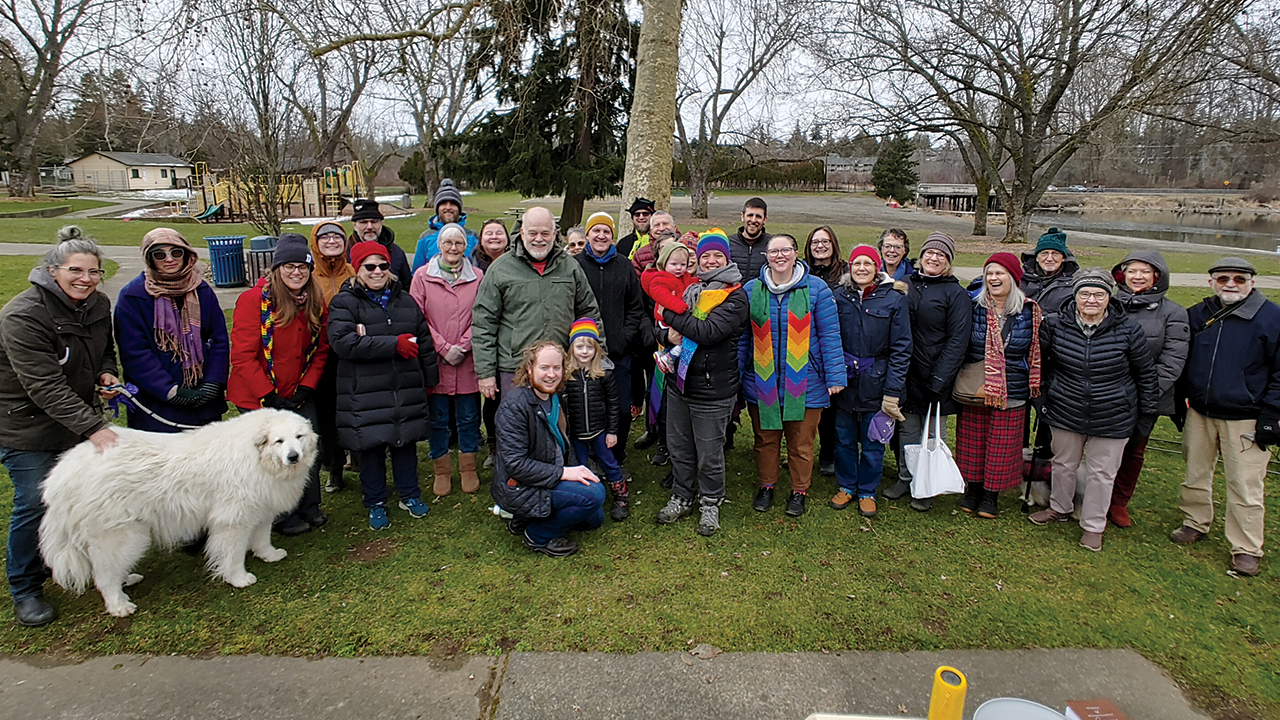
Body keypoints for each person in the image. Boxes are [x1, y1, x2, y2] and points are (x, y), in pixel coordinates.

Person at [0, 230, 120, 627]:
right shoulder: (23, 316)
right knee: (36, 502)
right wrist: (94, 429)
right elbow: (43, 386)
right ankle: (26, 587)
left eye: (93, 272)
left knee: (81, 499)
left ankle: (70, 564)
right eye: (75, 271)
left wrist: (106, 373)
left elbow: (105, 349)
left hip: (74, 422)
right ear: (53, 271)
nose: (85, 279)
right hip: (27, 428)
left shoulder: (97, 304)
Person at [1029, 269, 1160, 552]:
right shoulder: (1055, 325)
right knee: (1064, 464)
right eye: (1085, 294)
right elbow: (1044, 365)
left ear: (1108, 298)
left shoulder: (1128, 330)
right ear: (1075, 296)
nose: (1091, 299)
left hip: (1113, 413)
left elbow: (1146, 375)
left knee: (1102, 473)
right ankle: (1059, 508)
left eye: (1099, 294)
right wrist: (1043, 400)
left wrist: (1146, 416)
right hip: (1066, 408)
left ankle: (1093, 525)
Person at [1169, 257, 1280, 577]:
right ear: (1211, 282)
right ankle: (1195, 521)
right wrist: (1180, 401)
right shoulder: (1198, 314)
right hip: (1201, 411)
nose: (1230, 284)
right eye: (1223, 278)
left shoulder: (1272, 319)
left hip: (1246, 416)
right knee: (1195, 472)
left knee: (1245, 484)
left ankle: (1246, 547)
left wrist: (1272, 414)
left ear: (1252, 283)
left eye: (1239, 279)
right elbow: (1184, 360)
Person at [328, 240, 439, 530]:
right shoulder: (345, 302)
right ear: (357, 268)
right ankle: (375, 501)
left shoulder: (404, 300)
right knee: (371, 448)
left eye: (383, 266)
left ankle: (409, 493)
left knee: (405, 443)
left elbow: (423, 341)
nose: (377, 272)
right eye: (370, 266)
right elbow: (343, 342)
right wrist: (392, 345)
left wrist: (429, 379)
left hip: (403, 385)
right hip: (364, 390)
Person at [227, 233, 331, 535]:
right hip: (259, 394)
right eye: (289, 266)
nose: (296, 272)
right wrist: (268, 396)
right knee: (272, 456)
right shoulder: (253, 302)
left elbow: (320, 348)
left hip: (298, 390)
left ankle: (309, 504)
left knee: (307, 447)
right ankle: (280, 516)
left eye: (302, 266)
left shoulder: (314, 300)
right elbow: (243, 356)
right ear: (277, 268)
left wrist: (308, 386)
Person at [740, 233, 847, 517]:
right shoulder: (751, 290)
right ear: (766, 256)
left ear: (796, 253)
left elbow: (830, 335)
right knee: (766, 439)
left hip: (806, 381)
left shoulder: (817, 289)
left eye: (785, 250)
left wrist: (835, 376)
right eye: (773, 251)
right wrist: (738, 375)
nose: (779, 256)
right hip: (762, 381)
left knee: (801, 443)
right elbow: (742, 339)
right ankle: (767, 485)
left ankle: (799, 489)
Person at [655, 230, 749, 536]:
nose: (710, 260)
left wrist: (669, 312)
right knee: (679, 447)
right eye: (705, 256)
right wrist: (664, 332)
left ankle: (711, 501)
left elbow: (708, 332)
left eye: (717, 256)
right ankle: (682, 495)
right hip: (680, 384)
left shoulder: (735, 295)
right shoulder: (691, 289)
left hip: (714, 390)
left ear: (726, 259)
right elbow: (662, 330)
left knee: (709, 454)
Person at [472, 206, 603, 404]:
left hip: (561, 367)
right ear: (522, 233)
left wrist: (599, 357)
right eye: (532, 233)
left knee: (560, 429)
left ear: (554, 234)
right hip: (515, 368)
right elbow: (483, 324)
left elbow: (589, 313)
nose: (539, 239)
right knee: (517, 429)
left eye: (545, 233)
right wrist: (486, 373)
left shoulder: (570, 267)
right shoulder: (500, 269)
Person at [882, 232, 972, 512]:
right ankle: (905, 477)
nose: (934, 258)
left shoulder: (955, 293)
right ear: (921, 256)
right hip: (906, 372)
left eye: (941, 255)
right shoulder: (904, 284)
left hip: (937, 375)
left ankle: (926, 485)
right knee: (907, 429)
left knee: (933, 434)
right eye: (930, 253)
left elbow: (958, 340)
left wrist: (941, 377)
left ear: (948, 261)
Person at [493, 340, 605, 557]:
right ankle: (537, 535)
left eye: (557, 368)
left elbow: (561, 445)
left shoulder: (556, 396)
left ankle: (526, 518)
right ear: (529, 369)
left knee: (595, 517)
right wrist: (565, 473)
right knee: (594, 496)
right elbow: (516, 465)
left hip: (547, 475)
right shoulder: (514, 407)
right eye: (544, 368)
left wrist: (575, 472)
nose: (551, 374)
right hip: (519, 486)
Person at [954, 252, 1043, 519]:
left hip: (1013, 388)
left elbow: (1036, 351)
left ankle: (991, 495)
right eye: (989, 273)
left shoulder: (1029, 311)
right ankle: (973, 490)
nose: (993, 278)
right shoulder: (973, 307)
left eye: (999, 273)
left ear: (1013, 278)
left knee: (1001, 445)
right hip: (977, 386)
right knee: (973, 441)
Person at [114, 227, 229, 433]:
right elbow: (135, 354)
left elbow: (218, 339)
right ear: (150, 259)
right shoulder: (133, 296)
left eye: (176, 252)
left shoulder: (202, 290)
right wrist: (171, 391)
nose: (169, 259)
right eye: (160, 254)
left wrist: (213, 383)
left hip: (204, 401)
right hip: (158, 405)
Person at [1105, 251, 1189, 527]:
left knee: (1134, 450)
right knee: (1100, 450)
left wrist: (1144, 392)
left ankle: (1118, 502)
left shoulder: (1173, 313)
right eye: (1132, 271)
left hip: (1145, 396)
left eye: (1145, 272)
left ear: (1157, 276)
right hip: (1104, 391)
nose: (1138, 276)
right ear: (1122, 274)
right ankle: (1096, 497)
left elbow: (1172, 360)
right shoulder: (1108, 303)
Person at [828, 245, 911, 517]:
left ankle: (867, 490)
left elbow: (901, 348)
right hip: (845, 381)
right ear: (849, 267)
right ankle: (847, 485)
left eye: (868, 263)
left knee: (873, 441)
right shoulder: (839, 297)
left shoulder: (893, 299)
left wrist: (892, 391)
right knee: (843, 438)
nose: (861, 268)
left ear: (877, 268)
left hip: (877, 380)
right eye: (856, 263)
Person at [410, 223, 484, 496]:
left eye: (459, 243)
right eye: (448, 243)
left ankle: (468, 467)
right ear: (439, 245)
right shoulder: (422, 276)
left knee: (468, 417)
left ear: (467, 247)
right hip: (436, 359)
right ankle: (441, 469)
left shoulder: (477, 276)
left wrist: (463, 345)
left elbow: (483, 315)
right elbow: (417, 317)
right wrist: (442, 347)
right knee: (438, 418)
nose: (453, 248)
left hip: (467, 359)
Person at [575, 211, 648, 467]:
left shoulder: (624, 266)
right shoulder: (575, 265)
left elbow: (635, 307)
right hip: (584, 352)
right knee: (587, 410)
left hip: (619, 352)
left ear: (612, 235)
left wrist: (624, 337)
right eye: (596, 230)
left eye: (606, 231)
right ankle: (591, 458)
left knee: (619, 410)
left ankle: (616, 458)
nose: (601, 235)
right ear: (587, 235)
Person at [562, 318, 630, 520]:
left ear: (596, 350)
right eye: (580, 346)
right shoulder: (567, 376)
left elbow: (613, 404)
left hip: (600, 430)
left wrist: (612, 431)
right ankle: (590, 500)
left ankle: (621, 495)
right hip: (576, 433)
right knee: (580, 466)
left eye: (589, 347)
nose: (584, 351)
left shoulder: (604, 374)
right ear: (572, 348)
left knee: (609, 462)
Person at [309, 220, 354, 493]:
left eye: (336, 237)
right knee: (327, 414)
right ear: (315, 243)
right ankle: (333, 467)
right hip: (321, 355)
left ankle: (359, 458)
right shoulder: (310, 277)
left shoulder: (354, 274)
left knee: (353, 408)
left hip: (350, 353)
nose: (331, 241)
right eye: (324, 237)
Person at [804, 225, 844, 475]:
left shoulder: (845, 272)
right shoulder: (801, 273)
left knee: (834, 408)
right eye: (815, 242)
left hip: (837, 343)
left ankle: (830, 453)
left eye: (825, 241)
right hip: (807, 346)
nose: (820, 246)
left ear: (833, 244)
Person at [472, 218, 511, 468]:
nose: (494, 237)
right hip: (487, 338)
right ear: (481, 239)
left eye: (499, 232)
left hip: (510, 340)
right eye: (489, 233)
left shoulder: (518, 263)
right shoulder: (473, 267)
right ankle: (494, 445)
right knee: (491, 397)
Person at [642, 242, 697, 373]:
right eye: (674, 264)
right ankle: (669, 358)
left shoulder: (684, 276)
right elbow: (663, 297)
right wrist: (681, 307)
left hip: (676, 316)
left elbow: (690, 284)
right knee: (684, 341)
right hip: (666, 318)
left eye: (683, 265)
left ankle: (665, 353)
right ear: (664, 263)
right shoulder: (659, 279)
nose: (679, 268)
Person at [412, 178, 478, 271]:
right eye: (443, 204)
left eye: (453, 204)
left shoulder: (472, 237)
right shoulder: (426, 238)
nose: (448, 207)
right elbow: (416, 273)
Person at [347, 198, 412, 287]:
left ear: (381, 223)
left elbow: (407, 286)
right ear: (355, 226)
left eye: (374, 222)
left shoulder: (396, 252)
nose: (369, 227)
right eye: (363, 222)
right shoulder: (344, 253)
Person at [727, 197, 772, 283]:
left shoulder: (772, 245)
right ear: (742, 216)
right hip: (734, 294)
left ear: (765, 220)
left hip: (760, 294)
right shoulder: (728, 243)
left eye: (758, 216)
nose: (753, 220)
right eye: (750, 215)